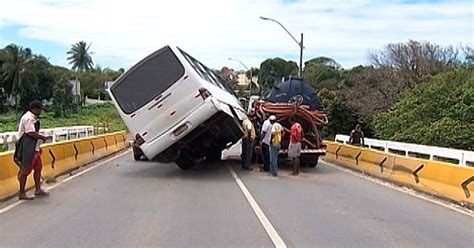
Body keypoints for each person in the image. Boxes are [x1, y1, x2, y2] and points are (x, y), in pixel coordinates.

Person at [15, 100, 48, 200]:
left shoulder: (32, 118)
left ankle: (38, 189)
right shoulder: (28, 118)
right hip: (27, 149)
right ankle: (21, 192)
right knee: (25, 170)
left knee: (38, 168)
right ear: (35, 109)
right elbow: (31, 133)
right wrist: (42, 137)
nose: (41, 112)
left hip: (34, 148)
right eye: (40, 110)